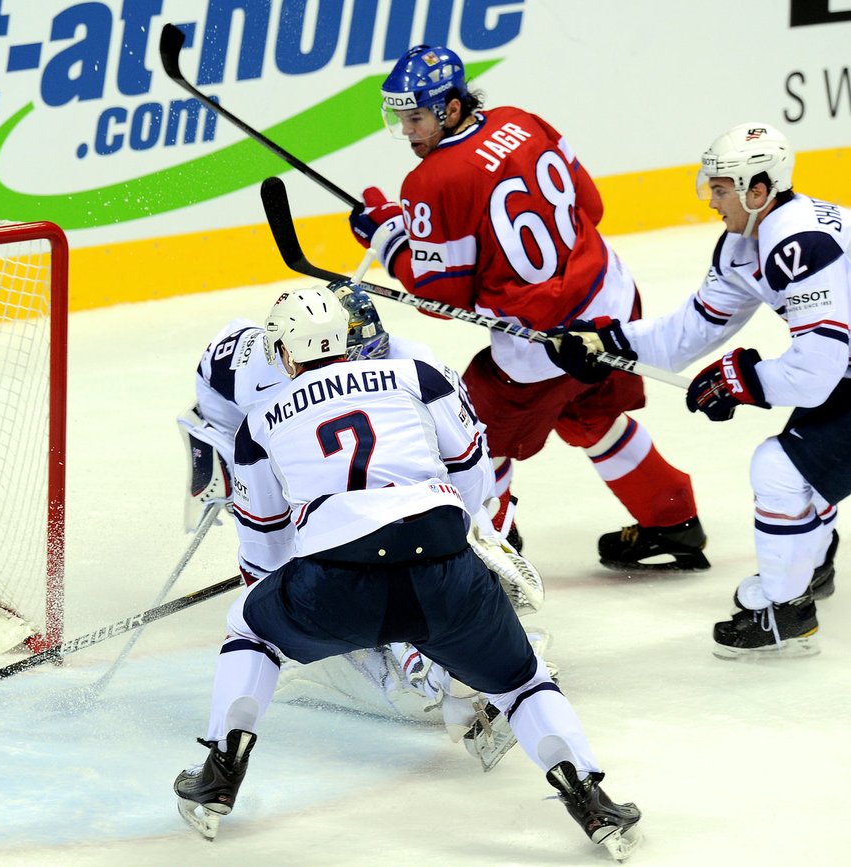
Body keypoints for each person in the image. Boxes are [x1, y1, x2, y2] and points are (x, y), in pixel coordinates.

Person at [173, 286, 642, 860]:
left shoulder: (258, 424)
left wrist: (289, 587)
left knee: (248, 628)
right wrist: (477, 536)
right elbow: (472, 467)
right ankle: (593, 803)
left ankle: (220, 774)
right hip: (443, 569)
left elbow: (265, 548)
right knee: (524, 681)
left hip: (335, 583)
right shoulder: (417, 374)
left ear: (283, 353)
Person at [348, 44, 709, 572]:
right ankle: (670, 515)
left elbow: (440, 298)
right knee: (592, 414)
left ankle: (495, 555)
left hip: (546, 343)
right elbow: (593, 206)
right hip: (613, 300)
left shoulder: (432, 181)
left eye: (417, 117)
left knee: (472, 433)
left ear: (450, 108)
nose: (408, 131)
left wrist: (387, 236)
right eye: (401, 118)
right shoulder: (523, 120)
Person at [176, 279, 547, 770]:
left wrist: (478, 533)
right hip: (273, 461)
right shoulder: (249, 363)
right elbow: (209, 405)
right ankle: (443, 662)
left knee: (395, 566)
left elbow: (464, 471)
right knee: (343, 580)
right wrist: (223, 460)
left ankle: (440, 656)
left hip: (376, 506)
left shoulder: (413, 363)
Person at [547, 122, 844, 659]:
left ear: (759, 190)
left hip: (840, 371)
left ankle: (784, 613)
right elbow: (690, 333)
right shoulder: (745, 243)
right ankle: (809, 558)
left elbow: (815, 373)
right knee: (804, 463)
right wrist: (607, 343)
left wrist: (740, 381)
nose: (712, 200)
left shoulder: (799, 244)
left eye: (722, 188)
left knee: (780, 469)